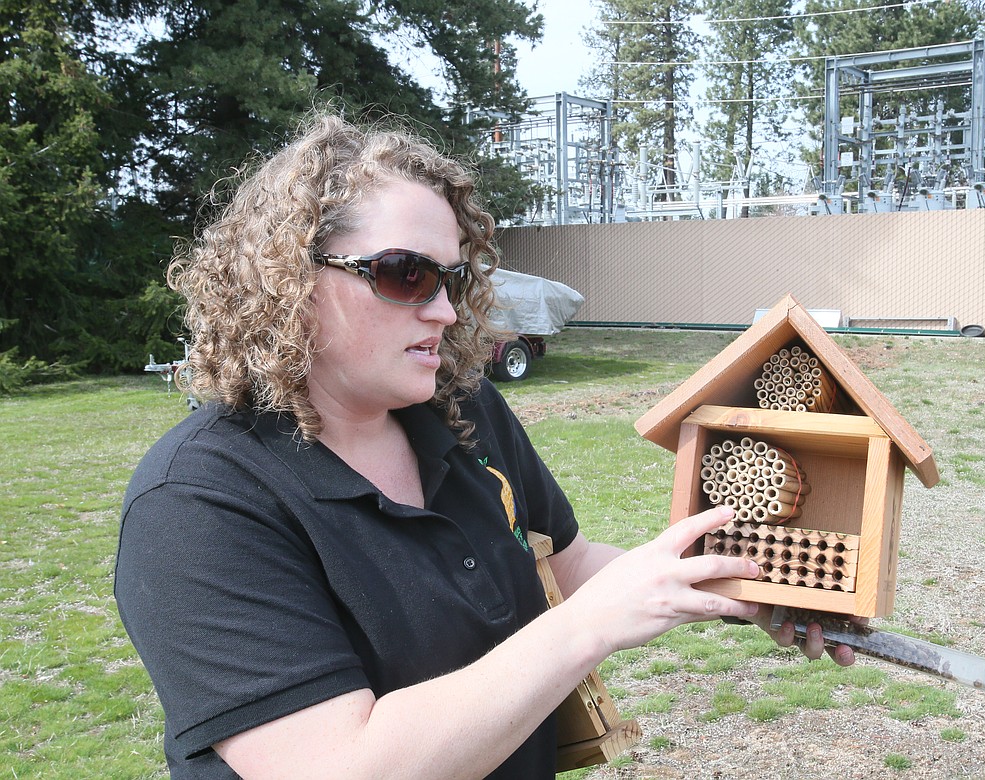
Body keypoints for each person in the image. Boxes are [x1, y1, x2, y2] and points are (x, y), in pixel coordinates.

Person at [115, 110, 856, 780]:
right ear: (287, 281)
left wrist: (739, 586)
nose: (441, 309)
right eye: (404, 274)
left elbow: (566, 565)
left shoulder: (460, 411)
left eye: (451, 277)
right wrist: (588, 627)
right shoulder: (196, 503)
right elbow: (337, 765)